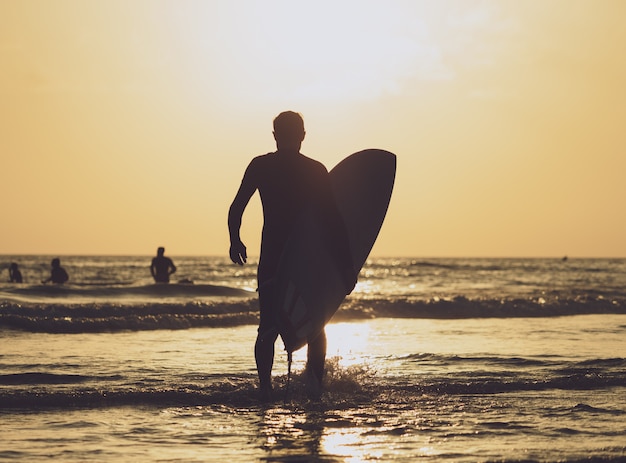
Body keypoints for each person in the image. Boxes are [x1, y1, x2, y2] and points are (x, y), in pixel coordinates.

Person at [228, 111, 356, 400]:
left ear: (275, 136)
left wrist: (235, 240)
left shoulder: (260, 166)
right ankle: (314, 387)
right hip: (308, 260)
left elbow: (236, 207)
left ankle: (265, 388)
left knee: (267, 326)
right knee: (316, 327)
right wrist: (346, 266)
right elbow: (333, 222)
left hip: (272, 256)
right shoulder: (315, 170)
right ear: (303, 135)